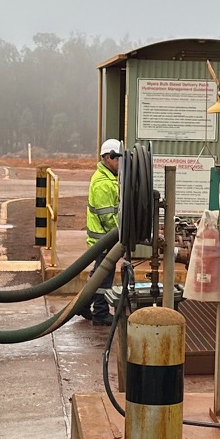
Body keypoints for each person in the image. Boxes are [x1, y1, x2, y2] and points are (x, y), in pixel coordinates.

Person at [80, 138, 124, 326]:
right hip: (104, 239)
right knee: (104, 278)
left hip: (104, 239)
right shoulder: (103, 183)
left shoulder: (108, 178)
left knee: (98, 274)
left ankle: (83, 304)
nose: (120, 163)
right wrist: (120, 233)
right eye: (117, 159)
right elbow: (107, 217)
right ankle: (100, 313)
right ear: (107, 158)